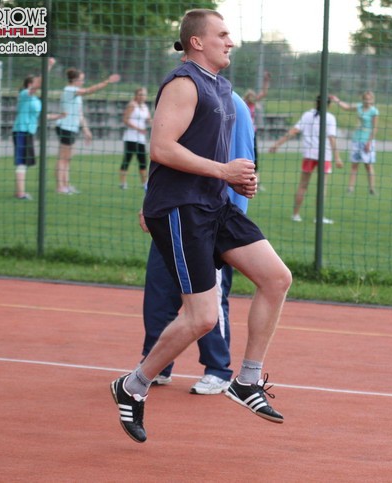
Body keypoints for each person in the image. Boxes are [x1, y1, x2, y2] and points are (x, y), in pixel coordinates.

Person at [110, 8, 292, 444]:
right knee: (203, 317)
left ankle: (246, 381)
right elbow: (161, 148)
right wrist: (223, 171)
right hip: (180, 208)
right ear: (197, 41)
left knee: (276, 278)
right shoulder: (183, 83)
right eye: (222, 34)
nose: (230, 42)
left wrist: (237, 178)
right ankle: (133, 385)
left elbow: (212, 152)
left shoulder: (221, 87)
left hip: (214, 203)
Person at [141, 91, 255, 395]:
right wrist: (149, 199)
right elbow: (166, 153)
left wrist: (230, 222)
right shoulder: (180, 94)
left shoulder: (233, 104)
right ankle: (156, 364)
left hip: (211, 218)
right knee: (159, 294)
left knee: (208, 300)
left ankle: (218, 369)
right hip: (172, 213)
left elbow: (243, 161)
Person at [269, 95, 342, 224]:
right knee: (322, 187)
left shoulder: (307, 115)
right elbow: (332, 138)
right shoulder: (330, 118)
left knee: (303, 185)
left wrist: (277, 144)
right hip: (324, 156)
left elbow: (293, 131)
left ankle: (295, 215)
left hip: (309, 155)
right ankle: (319, 217)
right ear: (329, 105)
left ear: (316, 103)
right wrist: (337, 157)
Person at [55, 67, 120, 194]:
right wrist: (107, 82)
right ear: (74, 80)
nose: (82, 82)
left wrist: (86, 130)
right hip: (65, 127)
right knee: (63, 158)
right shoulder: (69, 90)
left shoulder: (76, 94)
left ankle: (66, 185)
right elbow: (89, 90)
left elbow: (80, 114)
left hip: (72, 128)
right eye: (81, 80)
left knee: (68, 158)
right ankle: (60, 186)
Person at [12, 58, 64, 200]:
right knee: (21, 162)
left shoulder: (36, 100)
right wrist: (48, 66)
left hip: (29, 132)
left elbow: (43, 116)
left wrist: (59, 116)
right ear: (30, 84)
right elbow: (39, 84)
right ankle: (20, 193)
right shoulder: (24, 94)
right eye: (35, 82)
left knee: (25, 163)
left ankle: (20, 191)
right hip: (21, 131)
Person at [329, 91, 379, 195]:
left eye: (370, 99)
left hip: (367, 140)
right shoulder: (359, 107)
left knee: (368, 165)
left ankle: (372, 188)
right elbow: (346, 107)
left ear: (372, 100)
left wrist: (369, 142)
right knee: (354, 165)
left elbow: (375, 128)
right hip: (357, 139)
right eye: (366, 99)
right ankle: (350, 188)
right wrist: (337, 100)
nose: (367, 101)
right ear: (363, 99)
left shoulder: (374, 111)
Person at [119, 87, 151, 190]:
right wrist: (138, 128)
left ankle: (144, 183)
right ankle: (123, 183)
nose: (142, 96)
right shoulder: (132, 105)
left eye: (144, 94)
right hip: (131, 138)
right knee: (127, 159)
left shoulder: (145, 107)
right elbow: (125, 120)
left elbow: (148, 120)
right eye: (140, 94)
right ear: (136, 95)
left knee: (143, 161)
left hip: (141, 138)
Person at [243, 71, 270, 183]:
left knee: (255, 155)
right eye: (251, 96)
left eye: (253, 96)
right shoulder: (243, 104)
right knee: (245, 154)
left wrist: (266, 81)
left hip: (252, 132)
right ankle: (246, 178)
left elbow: (264, 93)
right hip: (244, 132)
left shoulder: (253, 104)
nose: (253, 97)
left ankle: (256, 180)